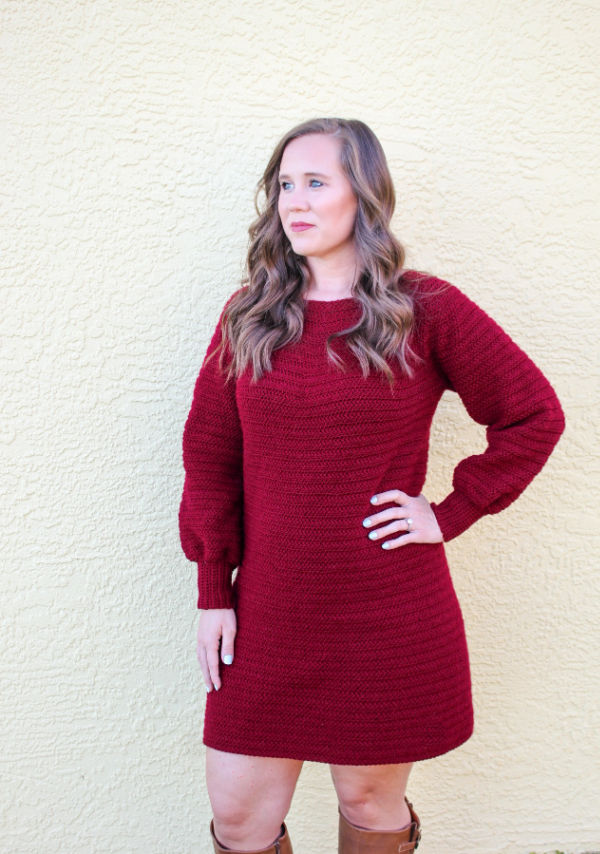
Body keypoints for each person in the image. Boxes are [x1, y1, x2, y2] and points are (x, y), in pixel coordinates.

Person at [178, 117, 566, 854]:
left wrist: (449, 513)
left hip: (387, 611)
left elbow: (532, 416)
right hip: (268, 611)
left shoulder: (424, 310)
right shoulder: (250, 318)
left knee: (368, 800)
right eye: (285, 185)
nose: (295, 200)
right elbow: (209, 457)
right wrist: (212, 591)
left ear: (365, 194)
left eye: (316, 182)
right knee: (238, 815)